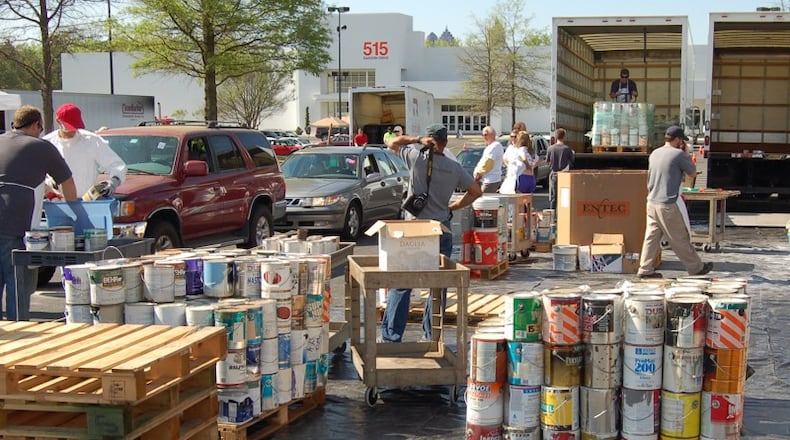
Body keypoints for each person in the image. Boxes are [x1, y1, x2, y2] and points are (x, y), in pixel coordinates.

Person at [383, 123, 482, 342]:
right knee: (438, 284)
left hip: (414, 231)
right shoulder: (453, 167)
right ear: (445, 143)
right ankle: (431, 334)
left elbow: (390, 141)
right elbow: (476, 191)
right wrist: (452, 207)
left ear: (428, 140)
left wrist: (417, 139)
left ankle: (392, 337)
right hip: (441, 229)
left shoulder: (415, 157)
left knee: (403, 282)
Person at [0, 105, 77, 320]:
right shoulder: (41, 147)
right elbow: (67, 183)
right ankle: (18, 334)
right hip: (14, 224)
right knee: (17, 285)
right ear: (35, 125)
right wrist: (76, 209)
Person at [637, 126, 713, 279]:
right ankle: (696, 268)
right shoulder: (679, 154)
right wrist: (686, 153)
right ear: (678, 139)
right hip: (667, 204)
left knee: (651, 237)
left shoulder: (654, 153)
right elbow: (692, 173)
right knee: (679, 237)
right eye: (681, 140)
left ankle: (645, 269)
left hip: (652, 201)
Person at [43, 103, 126, 198]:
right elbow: (36, 173)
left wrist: (113, 182)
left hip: (87, 201)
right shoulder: (47, 143)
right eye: (70, 127)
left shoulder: (91, 140)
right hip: (57, 202)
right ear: (58, 121)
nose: (73, 130)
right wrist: (48, 183)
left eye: (75, 126)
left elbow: (116, 164)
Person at [546, 128, 574, 210]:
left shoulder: (550, 148)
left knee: (553, 196)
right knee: (564, 196)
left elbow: (547, 161)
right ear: (564, 137)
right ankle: (563, 214)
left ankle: (552, 216)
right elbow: (572, 161)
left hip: (554, 174)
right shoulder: (567, 149)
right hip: (564, 175)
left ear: (556, 136)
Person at [473, 126, 504, 193]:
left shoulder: (495, 146)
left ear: (493, 135)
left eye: (486, 135)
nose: (484, 137)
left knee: (484, 201)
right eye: (483, 135)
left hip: (490, 180)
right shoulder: (490, 146)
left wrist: (479, 174)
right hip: (485, 179)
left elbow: (488, 163)